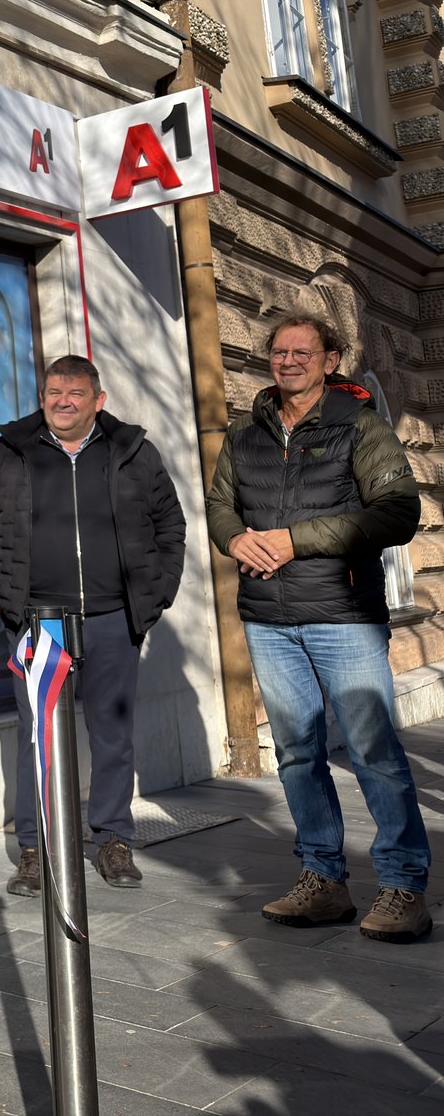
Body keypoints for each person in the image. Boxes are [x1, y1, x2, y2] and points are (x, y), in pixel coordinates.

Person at [205, 311, 430, 942]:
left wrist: (292, 541)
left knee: (374, 753)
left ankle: (404, 885)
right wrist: (236, 540)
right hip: (270, 620)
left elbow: (398, 512)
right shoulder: (246, 433)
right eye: (279, 352)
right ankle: (323, 881)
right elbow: (219, 504)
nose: (289, 361)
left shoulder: (358, 424)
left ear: (329, 360)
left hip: (345, 617)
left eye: (304, 352)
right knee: (298, 754)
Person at [0, 355, 186, 897]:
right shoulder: (8, 453)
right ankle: (36, 849)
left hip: (113, 619)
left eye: (75, 393)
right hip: (40, 621)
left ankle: (112, 838)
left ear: (98, 400)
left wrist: (152, 598)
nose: (62, 401)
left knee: (112, 737)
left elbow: (169, 524)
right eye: (53, 392)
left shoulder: (132, 452)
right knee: (38, 737)